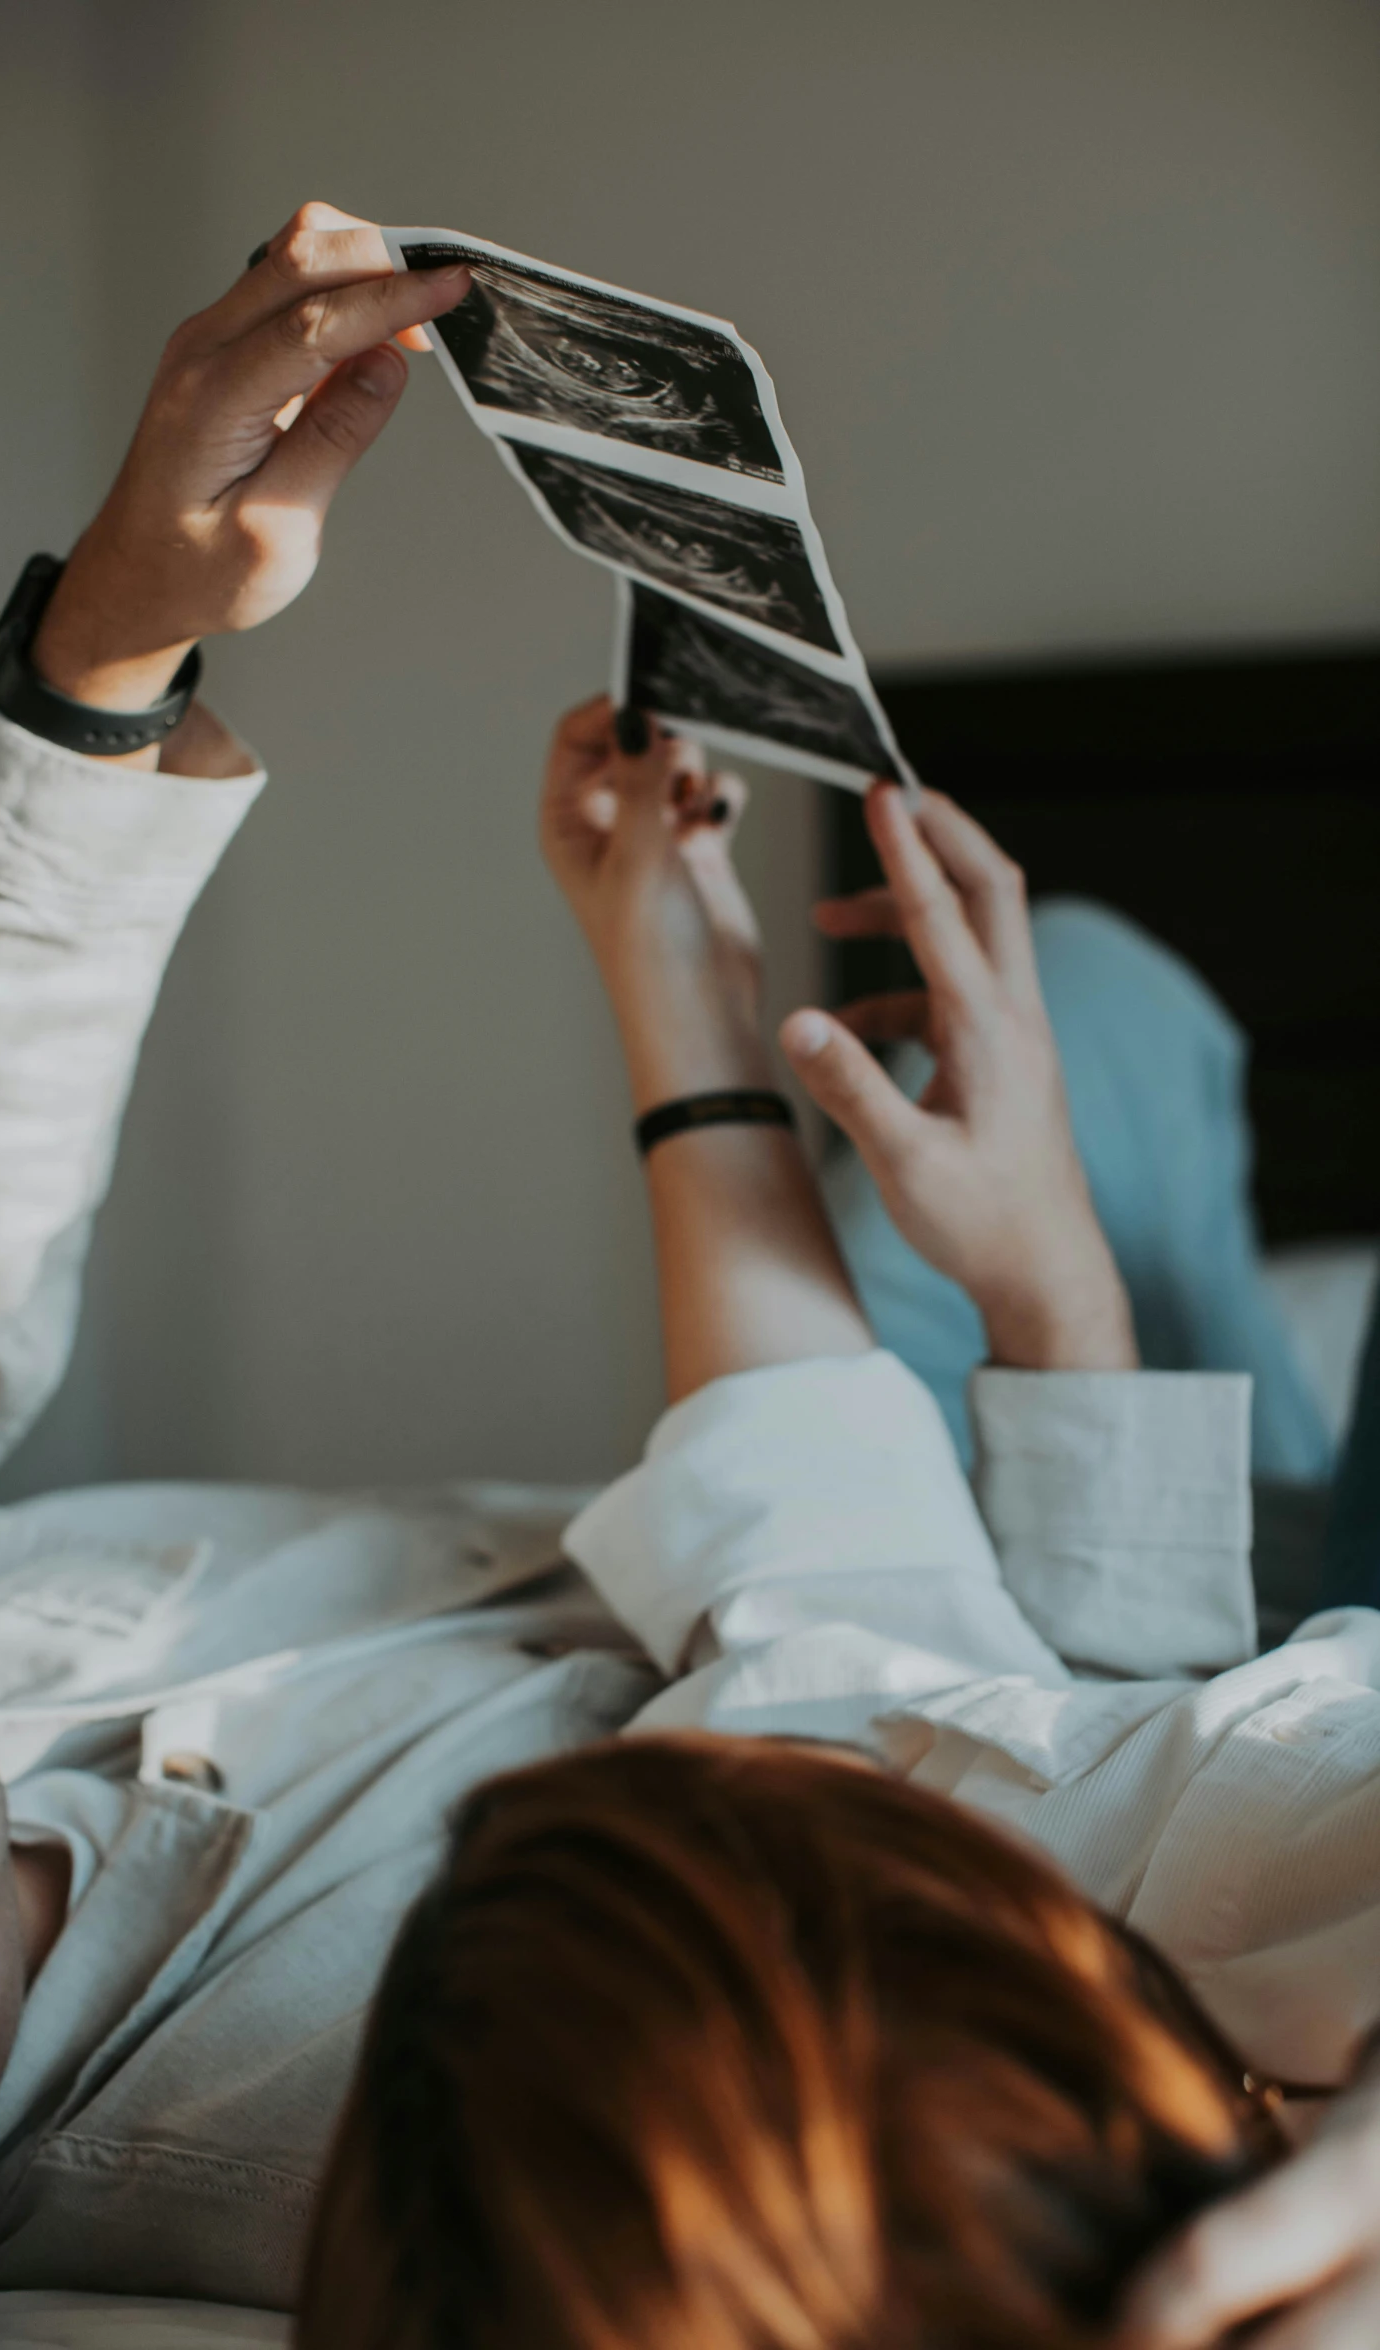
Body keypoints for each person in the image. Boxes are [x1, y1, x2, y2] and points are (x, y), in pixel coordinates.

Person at [0, 188, 1366, 2350]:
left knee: (1078, 986)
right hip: (1022, 1602)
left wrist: (105, 646)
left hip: (833, 1497)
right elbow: (1013, 1749)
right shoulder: (437, 2130)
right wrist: (1048, 1301)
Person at [296, 707, 1380, 2348]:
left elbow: (826, 1611)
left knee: (1062, 999)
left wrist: (684, 984)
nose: (847, 1766)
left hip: (1196, 1634)